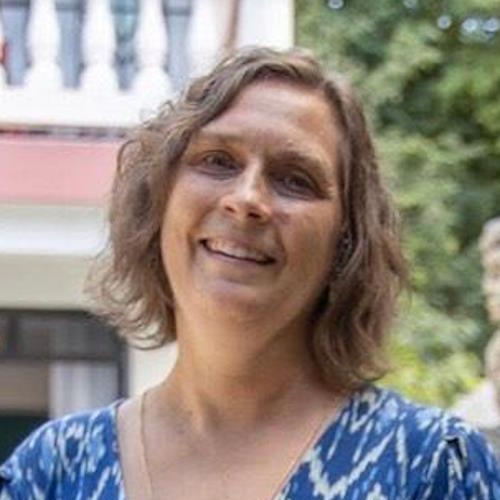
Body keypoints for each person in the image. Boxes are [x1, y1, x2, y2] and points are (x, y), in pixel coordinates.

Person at [1, 47, 499, 500]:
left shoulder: (429, 468)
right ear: (159, 200)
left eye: (294, 179)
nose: (246, 199)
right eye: (217, 161)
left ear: (345, 241)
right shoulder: (54, 471)